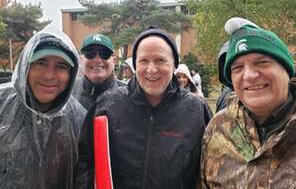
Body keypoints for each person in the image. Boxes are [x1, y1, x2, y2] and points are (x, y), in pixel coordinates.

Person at [75, 26, 212, 189]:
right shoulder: (108, 105)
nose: (151, 69)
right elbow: (85, 163)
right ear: (135, 65)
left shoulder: (196, 110)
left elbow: (208, 170)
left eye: (160, 60)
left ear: (174, 64)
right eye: (144, 61)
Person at [200, 17, 296, 189]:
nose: (249, 75)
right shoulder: (217, 128)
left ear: (287, 69)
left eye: (262, 62)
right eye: (237, 68)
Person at [0, 27, 86, 189]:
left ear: (72, 73)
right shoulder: (3, 105)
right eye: (40, 63)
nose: (49, 75)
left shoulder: (79, 119)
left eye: (61, 66)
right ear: (26, 66)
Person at [72, 34, 125, 110]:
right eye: (90, 53)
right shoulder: (67, 93)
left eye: (104, 54)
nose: (97, 59)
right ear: (81, 60)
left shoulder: (129, 95)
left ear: (113, 61)